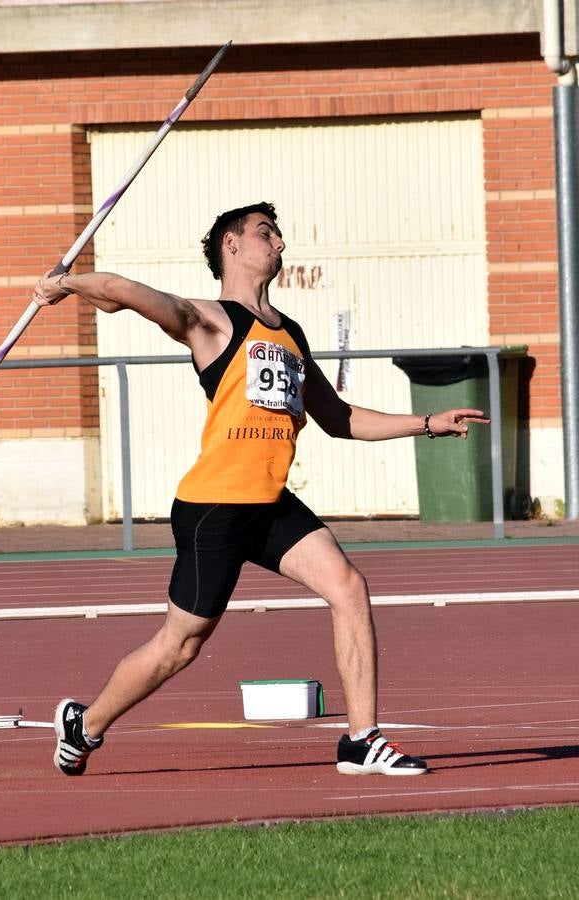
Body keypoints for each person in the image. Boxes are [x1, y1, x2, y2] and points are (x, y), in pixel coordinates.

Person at [32, 201, 490, 777]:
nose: (280, 242)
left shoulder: (290, 333)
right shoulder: (209, 321)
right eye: (265, 233)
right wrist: (66, 284)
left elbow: (338, 418)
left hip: (270, 501)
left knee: (348, 586)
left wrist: (426, 423)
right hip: (216, 505)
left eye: (278, 233)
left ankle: (360, 740)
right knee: (181, 645)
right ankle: (85, 723)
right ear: (232, 245)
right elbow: (121, 289)